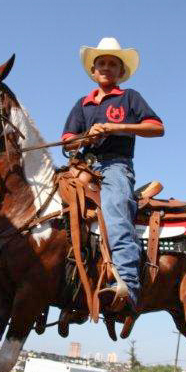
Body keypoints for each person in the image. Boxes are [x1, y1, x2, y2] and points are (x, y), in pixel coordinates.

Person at [61, 37, 164, 314]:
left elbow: (157, 127)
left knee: (116, 209)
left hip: (116, 165)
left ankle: (128, 284)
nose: (106, 67)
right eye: (101, 63)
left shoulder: (129, 97)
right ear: (93, 71)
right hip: (83, 166)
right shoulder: (82, 104)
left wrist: (115, 128)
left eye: (112, 64)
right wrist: (86, 137)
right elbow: (67, 142)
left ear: (121, 72)